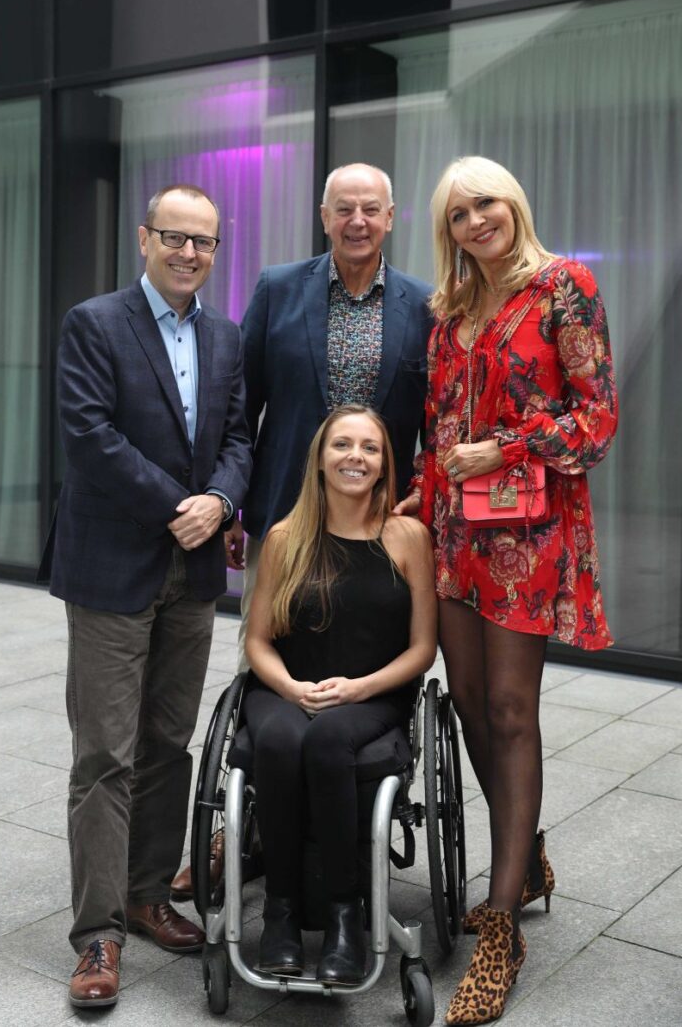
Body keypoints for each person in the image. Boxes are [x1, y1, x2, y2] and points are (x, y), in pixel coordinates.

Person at [169, 162, 432, 904]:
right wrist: (235, 503)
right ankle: (248, 829)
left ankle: (337, 821)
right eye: (342, 208)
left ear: (390, 218)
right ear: (323, 216)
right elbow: (239, 406)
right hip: (286, 512)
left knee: (359, 653)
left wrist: (420, 495)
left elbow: (435, 417)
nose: (356, 220)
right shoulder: (280, 287)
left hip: (378, 528)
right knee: (277, 659)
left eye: (369, 209)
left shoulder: (421, 304)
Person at [396, 156, 617, 1026]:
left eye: (483, 203)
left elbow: (595, 419)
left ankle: (500, 925)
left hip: (529, 532)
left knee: (510, 709)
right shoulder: (448, 309)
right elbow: (440, 422)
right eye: (456, 214)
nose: (474, 222)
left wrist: (510, 448)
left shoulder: (564, 286)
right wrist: (426, 482)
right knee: (468, 707)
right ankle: (526, 858)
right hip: (455, 532)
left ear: (512, 202)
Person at [39, 184, 251, 1009]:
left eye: (204, 241)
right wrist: (182, 507)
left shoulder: (225, 337)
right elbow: (90, 436)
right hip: (113, 565)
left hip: (192, 572)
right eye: (175, 237)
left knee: (167, 742)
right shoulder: (94, 323)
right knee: (104, 755)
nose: (190, 252)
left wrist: (224, 502)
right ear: (144, 238)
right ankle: (97, 934)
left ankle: (146, 891)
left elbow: (239, 437)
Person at [243, 404, 436, 985]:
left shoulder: (408, 537)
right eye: (342, 445)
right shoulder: (285, 536)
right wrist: (292, 689)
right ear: (320, 459)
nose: (355, 456)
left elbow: (422, 650)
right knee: (277, 741)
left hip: (374, 694)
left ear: (383, 465)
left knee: (329, 740)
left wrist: (358, 688)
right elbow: (256, 641)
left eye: (370, 448)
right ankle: (280, 912)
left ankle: (343, 913)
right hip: (287, 687)